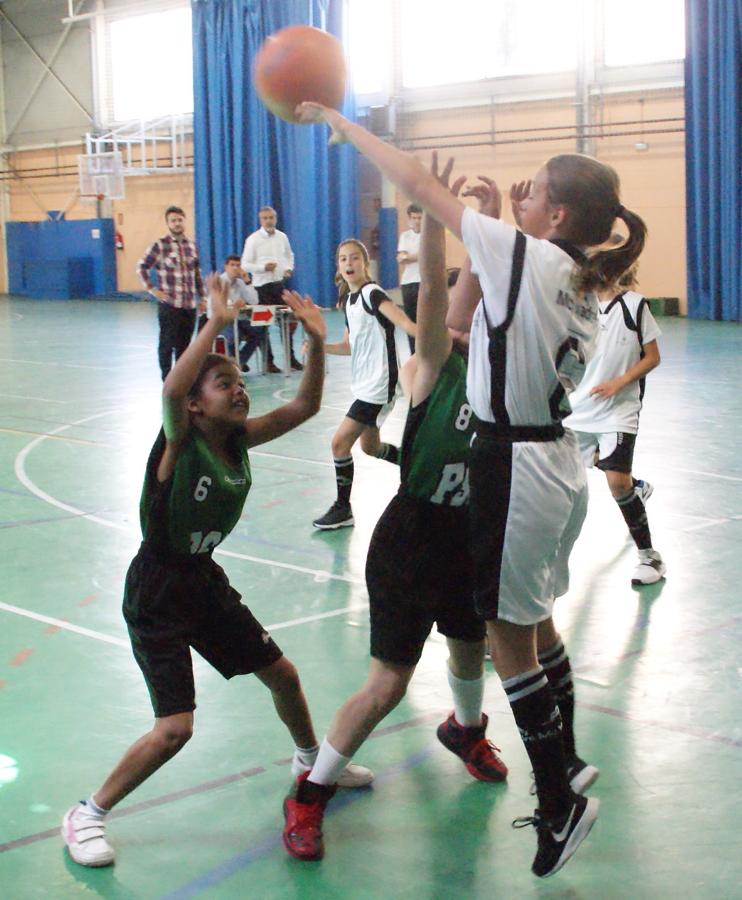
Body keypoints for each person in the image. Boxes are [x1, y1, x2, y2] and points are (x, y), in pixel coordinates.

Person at [296, 101, 646, 877]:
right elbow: (453, 308)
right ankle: (568, 762)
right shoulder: (568, 274)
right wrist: (502, 224)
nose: (521, 194)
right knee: (534, 626)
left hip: (517, 464)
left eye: (535, 190)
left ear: (557, 214)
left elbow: (421, 184)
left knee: (506, 639)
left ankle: (558, 801)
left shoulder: (529, 259)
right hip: (551, 463)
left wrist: (346, 127)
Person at [61, 277, 371, 869]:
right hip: (157, 590)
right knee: (175, 728)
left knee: (282, 675)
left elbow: (304, 407)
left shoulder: (240, 441)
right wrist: (214, 323)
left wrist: (314, 342)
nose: (239, 390)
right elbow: (172, 389)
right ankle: (88, 813)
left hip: (203, 580)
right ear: (196, 404)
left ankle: (311, 763)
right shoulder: (179, 441)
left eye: (240, 382)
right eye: (224, 384)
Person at [283, 157, 507, 864]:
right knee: (387, 683)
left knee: (469, 650)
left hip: (465, 535)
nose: (464, 316)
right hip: (411, 537)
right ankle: (310, 793)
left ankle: (465, 731)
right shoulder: (431, 365)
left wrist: (491, 222)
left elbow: (498, 283)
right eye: (459, 311)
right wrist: (435, 215)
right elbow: (436, 303)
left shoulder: (505, 380)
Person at [564, 250, 665, 585]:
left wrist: (618, 383)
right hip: (578, 409)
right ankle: (637, 489)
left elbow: (652, 357)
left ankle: (649, 557)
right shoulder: (579, 306)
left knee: (617, 482)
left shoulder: (635, 306)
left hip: (618, 409)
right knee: (562, 480)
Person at [312, 238, 417, 530]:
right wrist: (320, 347)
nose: (349, 263)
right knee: (371, 447)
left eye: (355, 257)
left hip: (379, 386)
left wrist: (436, 336)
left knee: (339, 444)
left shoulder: (373, 294)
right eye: (343, 258)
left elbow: (405, 324)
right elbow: (349, 346)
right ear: (338, 266)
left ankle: (343, 508)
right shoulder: (349, 301)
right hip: (365, 385)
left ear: (365, 263)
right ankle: (417, 466)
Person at [137, 206, 206, 381]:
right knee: (167, 345)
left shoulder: (192, 246)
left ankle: (181, 381)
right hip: (170, 305)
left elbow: (197, 274)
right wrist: (153, 290)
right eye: (173, 221)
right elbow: (142, 267)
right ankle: (167, 381)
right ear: (168, 223)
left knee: (184, 346)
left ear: (185, 221)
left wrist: (202, 297)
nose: (177, 223)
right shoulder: (160, 245)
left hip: (189, 305)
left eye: (179, 220)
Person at [241, 206, 300, 372]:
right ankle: (268, 362)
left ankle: (291, 359)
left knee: (287, 323)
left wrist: (288, 268)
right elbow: (245, 264)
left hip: (278, 285)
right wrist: (262, 268)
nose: (268, 221)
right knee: (263, 326)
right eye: (265, 218)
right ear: (260, 220)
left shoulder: (282, 237)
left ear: (276, 218)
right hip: (261, 288)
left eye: (271, 217)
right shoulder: (253, 239)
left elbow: (289, 256)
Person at [218, 255, 263, 373]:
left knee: (259, 331)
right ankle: (235, 362)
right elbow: (219, 304)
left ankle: (239, 361)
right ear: (226, 267)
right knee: (233, 335)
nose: (235, 268)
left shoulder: (240, 283)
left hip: (240, 318)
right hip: (224, 320)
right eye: (232, 265)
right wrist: (235, 304)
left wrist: (247, 281)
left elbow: (254, 301)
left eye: (238, 265)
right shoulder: (220, 281)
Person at [397, 203, 423, 352]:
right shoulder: (405, 236)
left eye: (420, 218)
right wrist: (416, 256)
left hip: (423, 282)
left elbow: (427, 255)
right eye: (414, 218)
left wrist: (408, 256)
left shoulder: (429, 236)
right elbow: (400, 258)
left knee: (424, 319)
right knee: (410, 320)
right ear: (410, 219)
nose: (417, 221)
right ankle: (414, 353)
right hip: (408, 282)